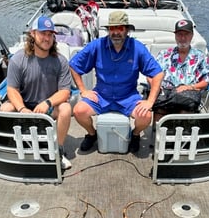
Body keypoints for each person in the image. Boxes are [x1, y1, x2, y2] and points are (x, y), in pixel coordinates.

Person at [69, 11, 164, 153]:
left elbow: (158, 73)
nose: (116, 33)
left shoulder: (137, 48)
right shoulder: (97, 46)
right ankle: (92, 134)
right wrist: (83, 90)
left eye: (120, 28)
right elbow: (74, 65)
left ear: (126, 30)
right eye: (112, 28)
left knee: (146, 116)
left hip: (128, 97)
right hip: (101, 96)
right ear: (108, 30)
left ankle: (135, 135)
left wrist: (150, 102)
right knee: (78, 111)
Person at [0, 16, 72, 170]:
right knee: (5, 108)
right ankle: (13, 144)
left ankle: (58, 150)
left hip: (49, 107)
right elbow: (12, 89)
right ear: (33, 34)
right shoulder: (18, 60)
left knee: (66, 108)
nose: (47, 38)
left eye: (50, 34)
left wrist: (48, 103)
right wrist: (22, 109)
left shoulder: (61, 61)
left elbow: (65, 92)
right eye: (42, 33)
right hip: (25, 104)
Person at [153, 19, 209, 120]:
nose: (183, 38)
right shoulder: (164, 54)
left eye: (186, 34)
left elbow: (205, 82)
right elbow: (153, 74)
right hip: (166, 94)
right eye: (179, 34)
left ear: (192, 35)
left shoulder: (201, 57)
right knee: (159, 106)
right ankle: (157, 133)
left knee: (186, 106)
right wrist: (157, 87)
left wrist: (189, 87)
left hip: (187, 95)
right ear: (175, 36)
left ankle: (184, 132)